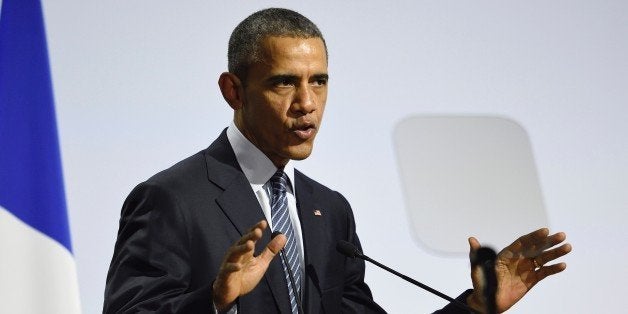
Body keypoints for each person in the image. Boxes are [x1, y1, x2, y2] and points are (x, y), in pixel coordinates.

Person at [103, 8, 572, 314]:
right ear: (234, 91)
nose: (307, 103)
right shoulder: (171, 198)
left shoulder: (327, 209)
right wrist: (213, 300)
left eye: (320, 82)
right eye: (284, 83)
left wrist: (475, 307)